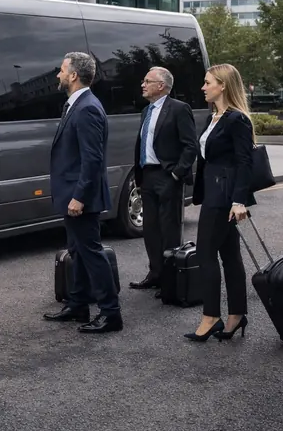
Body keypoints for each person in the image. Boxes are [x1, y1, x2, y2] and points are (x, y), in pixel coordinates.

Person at [44, 52, 122, 334]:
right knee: (77, 251)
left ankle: (111, 313)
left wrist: (79, 197)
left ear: (74, 75)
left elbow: (92, 159)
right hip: (73, 194)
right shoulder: (75, 105)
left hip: (81, 197)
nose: (58, 75)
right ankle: (78, 305)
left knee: (91, 253)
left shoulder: (87, 107)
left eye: (62, 70)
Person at [185, 63, 255, 342]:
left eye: (207, 82)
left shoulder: (237, 120)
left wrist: (239, 201)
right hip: (214, 193)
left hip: (224, 197)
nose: (203, 87)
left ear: (223, 85)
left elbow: (244, 162)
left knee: (205, 254)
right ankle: (236, 315)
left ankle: (211, 316)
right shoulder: (213, 117)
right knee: (230, 257)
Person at [129, 67, 198, 293]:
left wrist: (176, 173)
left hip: (167, 175)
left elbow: (190, 146)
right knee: (150, 228)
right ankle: (155, 273)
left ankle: (170, 279)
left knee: (169, 229)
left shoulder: (179, 109)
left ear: (161, 86)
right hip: (147, 175)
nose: (142, 84)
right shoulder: (145, 111)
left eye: (147, 81)